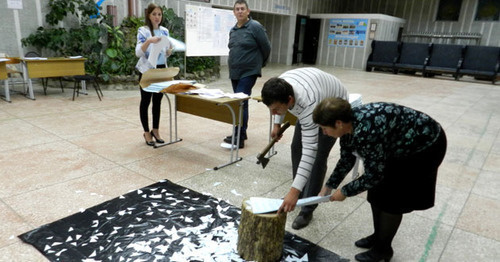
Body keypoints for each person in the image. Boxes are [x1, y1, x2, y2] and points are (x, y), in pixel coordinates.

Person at [313, 98, 447, 262]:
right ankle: (379, 236)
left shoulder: (367, 131)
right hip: (395, 144)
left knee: (392, 198)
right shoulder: (348, 127)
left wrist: (345, 191)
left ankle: (383, 249)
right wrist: (329, 185)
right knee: (377, 193)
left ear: (338, 123)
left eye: (324, 128)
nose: (323, 133)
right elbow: (346, 159)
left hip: (424, 146)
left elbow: (374, 175)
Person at [261, 67, 348, 230]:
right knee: (296, 148)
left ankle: (307, 208)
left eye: (276, 110)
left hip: (333, 105)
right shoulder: (281, 84)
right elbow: (279, 105)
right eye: (271, 109)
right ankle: (299, 193)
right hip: (313, 95)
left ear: (290, 100)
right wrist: (277, 123)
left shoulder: (308, 103)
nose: (273, 113)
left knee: (317, 157)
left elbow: (310, 151)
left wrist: (292, 192)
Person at [223, 0, 271, 149]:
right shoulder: (233, 30)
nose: (240, 11)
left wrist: (259, 64)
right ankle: (241, 132)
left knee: (239, 102)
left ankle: (239, 137)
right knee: (241, 103)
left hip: (249, 72)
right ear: (234, 12)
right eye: (237, 9)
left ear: (248, 11)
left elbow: (266, 47)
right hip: (235, 72)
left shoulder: (255, 27)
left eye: (242, 9)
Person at [135, 3, 174, 146]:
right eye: (154, 14)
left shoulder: (164, 31)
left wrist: (169, 51)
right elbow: (138, 52)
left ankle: (155, 130)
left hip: (161, 71)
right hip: (147, 71)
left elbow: (165, 52)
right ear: (149, 15)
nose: (157, 17)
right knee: (145, 101)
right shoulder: (143, 31)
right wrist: (149, 41)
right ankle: (146, 132)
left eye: (159, 14)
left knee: (158, 101)